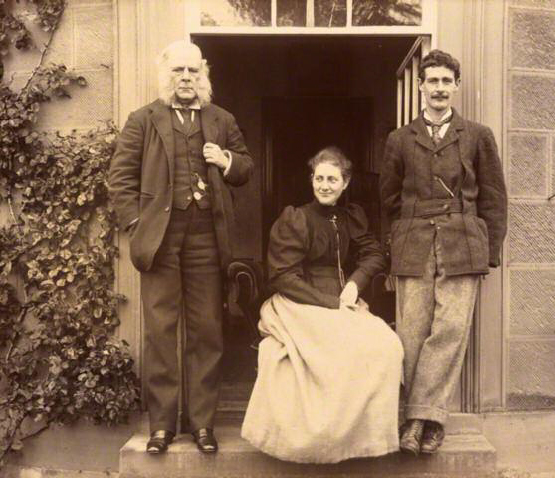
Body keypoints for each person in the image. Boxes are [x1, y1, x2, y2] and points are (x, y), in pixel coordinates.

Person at [108, 40, 253, 455]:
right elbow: (120, 180)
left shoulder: (221, 119)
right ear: (166, 76)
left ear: (203, 76)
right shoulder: (143, 120)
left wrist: (225, 159)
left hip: (207, 237)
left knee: (207, 330)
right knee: (160, 332)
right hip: (160, 241)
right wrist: (138, 225)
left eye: (193, 71)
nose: (186, 79)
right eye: (178, 72)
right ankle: (162, 427)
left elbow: (245, 166)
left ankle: (202, 425)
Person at [379, 49, 507, 455]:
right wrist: (393, 248)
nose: (438, 88)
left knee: (450, 331)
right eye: (431, 80)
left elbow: (494, 197)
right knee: (412, 332)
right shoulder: (400, 139)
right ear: (419, 87)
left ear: (456, 86)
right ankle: (424, 418)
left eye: (445, 81)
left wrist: (489, 250)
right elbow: (387, 199)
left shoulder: (477, 135)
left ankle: (422, 420)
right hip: (414, 243)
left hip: (462, 243)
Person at [241, 147, 403, 464]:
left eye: (332, 179)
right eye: (319, 178)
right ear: (311, 180)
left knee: (386, 346)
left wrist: (355, 283)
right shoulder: (296, 219)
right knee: (330, 351)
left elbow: (373, 254)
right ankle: (320, 440)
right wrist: (330, 303)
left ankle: (359, 438)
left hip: (344, 300)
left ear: (345, 183)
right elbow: (283, 277)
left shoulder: (351, 217)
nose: (325, 185)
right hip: (297, 301)